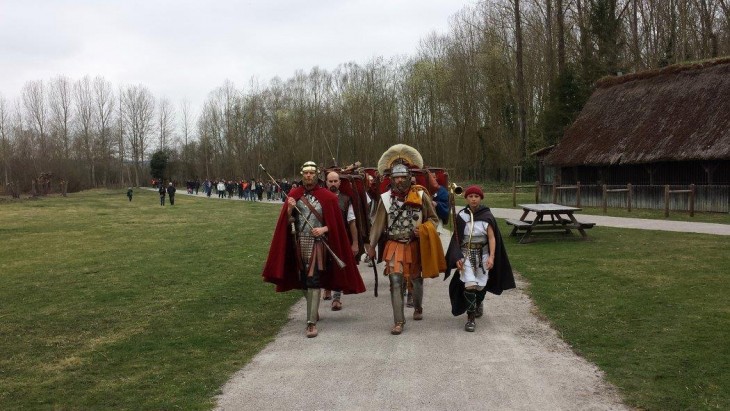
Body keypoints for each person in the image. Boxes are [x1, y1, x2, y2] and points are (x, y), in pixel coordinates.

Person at [262, 161, 366, 338]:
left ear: (317, 175)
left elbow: (336, 225)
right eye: (306, 173)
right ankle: (313, 309)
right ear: (302, 175)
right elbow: (287, 223)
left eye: (311, 173)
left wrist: (323, 229)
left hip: (319, 245)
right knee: (303, 280)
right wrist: (289, 209)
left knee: (313, 279)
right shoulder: (294, 194)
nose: (309, 176)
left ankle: (310, 323)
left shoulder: (328, 197)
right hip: (299, 243)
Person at [367, 144, 445, 335]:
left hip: (415, 244)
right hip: (394, 244)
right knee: (395, 280)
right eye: (396, 177)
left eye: (402, 177)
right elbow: (377, 225)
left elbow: (434, 219)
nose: (399, 180)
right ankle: (398, 321)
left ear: (410, 178)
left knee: (416, 279)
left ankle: (418, 307)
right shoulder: (385, 199)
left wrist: (425, 229)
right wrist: (371, 246)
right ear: (391, 179)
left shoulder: (420, 195)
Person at [444, 185, 515, 332]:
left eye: (476, 196)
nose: (473, 199)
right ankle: (471, 319)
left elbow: (492, 238)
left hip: (483, 256)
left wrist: (492, 257)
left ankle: (477, 303)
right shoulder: (462, 216)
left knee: (481, 286)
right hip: (466, 256)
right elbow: (456, 239)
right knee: (469, 284)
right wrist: (457, 256)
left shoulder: (487, 215)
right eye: (470, 196)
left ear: (481, 198)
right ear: (466, 198)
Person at [322, 171, 359, 311]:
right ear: (326, 182)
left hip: (340, 238)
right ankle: (326, 288)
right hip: (322, 237)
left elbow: (352, 222)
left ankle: (336, 298)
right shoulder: (320, 198)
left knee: (338, 266)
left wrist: (354, 243)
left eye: (335, 181)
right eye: (330, 181)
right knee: (324, 265)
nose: (332, 184)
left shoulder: (346, 199)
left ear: (339, 182)